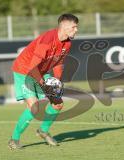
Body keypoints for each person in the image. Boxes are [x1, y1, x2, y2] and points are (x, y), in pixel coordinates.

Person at [8, 13, 79, 150]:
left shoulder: (67, 43)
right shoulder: (47, 41)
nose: (76, 30)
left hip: (40, 71)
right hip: (24, 71)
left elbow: (58, 63)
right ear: (64, 27)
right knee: (34, 108)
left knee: (58, 104)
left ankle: (43, 131)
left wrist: (57, 82)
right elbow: (32, 69)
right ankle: (14, 139)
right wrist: (45, 85)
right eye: (74, 27)